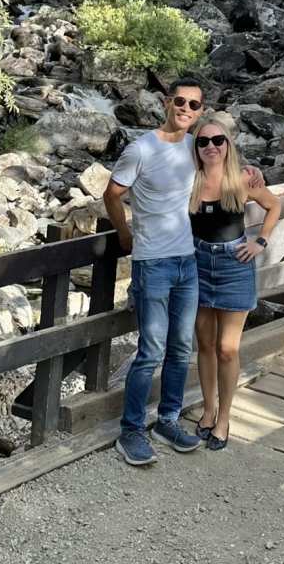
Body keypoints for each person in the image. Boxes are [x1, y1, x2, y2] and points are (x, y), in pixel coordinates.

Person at [103, 79, 263, 466]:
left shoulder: (196, 147)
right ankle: (132, 430)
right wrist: (125, 233)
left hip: (188, 262)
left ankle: (168, 420)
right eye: (180, 101)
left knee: (179, 350)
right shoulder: (142, 148)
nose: (186, 109)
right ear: (166, 102)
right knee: (151, 350)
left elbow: (221, 165)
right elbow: (111, 193)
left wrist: (248, 172)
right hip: (153, 262)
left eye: (194, 104)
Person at [190, 112, 281, 450]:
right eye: (203, 141)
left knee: (228, 349)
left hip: (233, 265)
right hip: (198, 263)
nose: (211, 146)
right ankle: (209, 408)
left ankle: (224, 417)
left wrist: (261, 241)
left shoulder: (243, 179)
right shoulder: (191, 179)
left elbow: (274, 206)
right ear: (196, 148)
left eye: (218, 140)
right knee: (205, 345)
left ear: (228, 145)